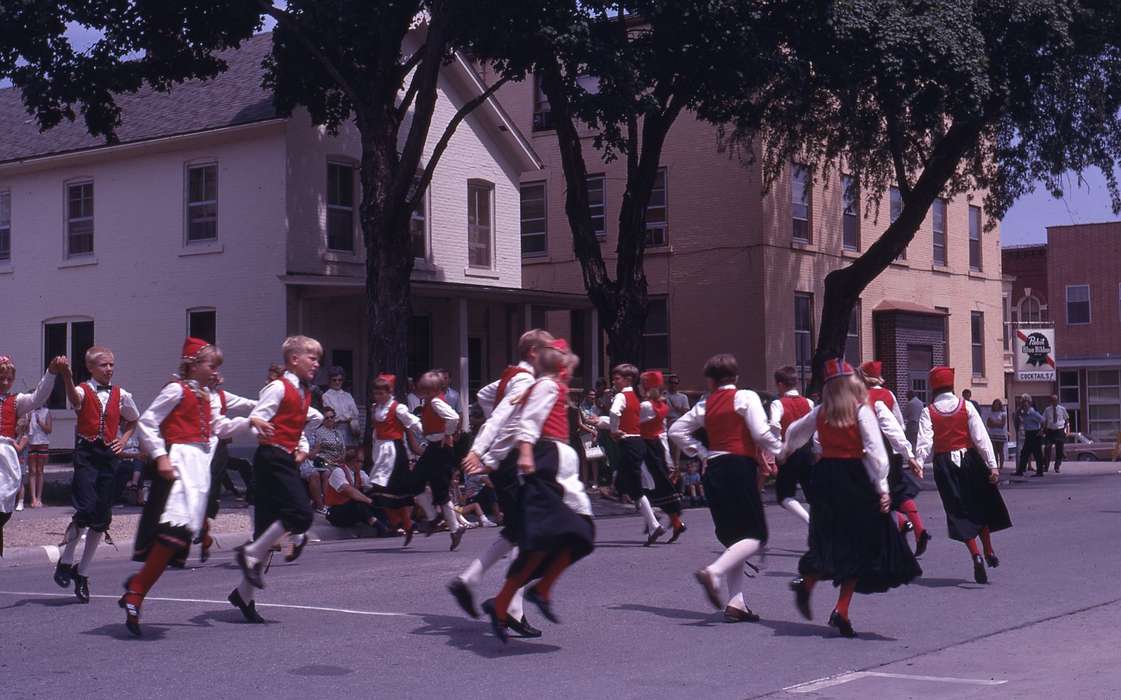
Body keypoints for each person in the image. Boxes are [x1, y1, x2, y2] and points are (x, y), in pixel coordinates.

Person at [122, 338, 254, 636]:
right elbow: (147, 421)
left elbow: (219, 428)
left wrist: (251, 422)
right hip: (179, 459)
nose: (216, 372)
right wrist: (160, 455)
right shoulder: (175, 390)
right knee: (172, 534)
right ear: (193, 365)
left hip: (199, 468)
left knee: (178, 539)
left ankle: (137, 587)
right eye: (211, 365)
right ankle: (137, 590)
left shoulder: (209, 396)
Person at [783, 359, 922, 639]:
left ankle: (813, 587)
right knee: (863, 544)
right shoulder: (861, 411)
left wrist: (785, 451)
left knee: (830, 538)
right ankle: (839, 607)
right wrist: (882, 488)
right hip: (854, 478)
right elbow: (875, 451)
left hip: (825, 477)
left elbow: (795, 432)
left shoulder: (821, 411)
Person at [473, 339, 594, 643]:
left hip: (561, 463)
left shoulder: (555, 389)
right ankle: (515, 599)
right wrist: (524, 452)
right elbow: (525, 422)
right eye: (568, 365)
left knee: (579, 534)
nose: (571, 372)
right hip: (547, 460)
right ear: (558, 366)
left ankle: (534, 591)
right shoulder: (547, 386)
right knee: (549, 537)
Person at [450, 329, 553, 639]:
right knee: (530, 534)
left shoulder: (512, 376)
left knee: (516, 532)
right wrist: (480, 449)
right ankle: (508, 605)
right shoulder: (524, 381)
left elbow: (484, 396)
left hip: (507, 459)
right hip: (511, 460)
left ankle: (474, 584)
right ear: (534, 352)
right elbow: (496, 418)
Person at [668, 353, 783, 624]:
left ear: (710, 380)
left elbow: (675, 430)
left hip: (714, 469)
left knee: (734, 538)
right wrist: (781, 450)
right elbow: (760, 433)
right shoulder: (746, 397)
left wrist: (702, 452)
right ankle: (714, 571)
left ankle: (736, 602)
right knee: (756, 536)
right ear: (736, 377)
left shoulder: (705, 403)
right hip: (738, 466)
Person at [229, 335, 325, 624]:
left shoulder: (303, 392)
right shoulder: (278, 387)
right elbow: (259, 419)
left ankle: (243, 596)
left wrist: (300, 446)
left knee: (267, 530)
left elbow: (308, 419)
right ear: (294, 359)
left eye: (318, 358)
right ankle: (250, 554)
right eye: (312, 357)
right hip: (272, 459)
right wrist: (271, 437)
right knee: (301, 514)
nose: (317, 363)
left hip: (282, 458)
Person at [54, 346, 140, 603]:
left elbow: (133, 419)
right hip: (87, 454)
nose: (109, 369)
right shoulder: (81, 389)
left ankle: (83, 572)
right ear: (91, 368)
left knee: (101, 518)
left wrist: (123, 440)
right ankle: (66, 560)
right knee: (85, 509)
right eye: (103, 365)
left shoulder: (121, 394)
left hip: (108, 458)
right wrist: (67, 375)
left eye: (112, 364)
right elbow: (75, 402)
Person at [915, 366, 1012, 584]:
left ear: (934, 388)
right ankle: (989, 550)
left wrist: (919, 462)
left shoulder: (928, 411)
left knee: (958, 511)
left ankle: (976, 554)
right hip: (970, 460)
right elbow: (981, 438)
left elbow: (924, 441)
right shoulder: (966, 406)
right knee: (980, 505)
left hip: (944, 464)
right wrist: (993, 465)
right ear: (952, 385)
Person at [859, 361, 930, 557]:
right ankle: (917, 528)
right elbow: (898, 423)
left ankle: (899, 524)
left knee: (874, 495)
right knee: (899, 492)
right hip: (893, 450)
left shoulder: (860, 397)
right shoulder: (888, 394)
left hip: (870, 451)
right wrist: (907, 452)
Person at [1, 355, 65, 555]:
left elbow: (38, 396)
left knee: (5, 501)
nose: (5, 382)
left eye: (9, 378)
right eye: (1, 377)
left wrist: (51, 373)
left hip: (6, 455)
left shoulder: (16, 401)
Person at [609, 363, 663, 543]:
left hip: (628, 443)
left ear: (627, 379)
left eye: (617, 378)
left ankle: (654, 522)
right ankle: (652, 519)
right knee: (628, 483)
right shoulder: (635, 398)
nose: (614, 381)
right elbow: (628, 419)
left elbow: (614, 412)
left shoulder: (621, 395)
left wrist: (613, 430)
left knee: (632, 486)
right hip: (637, 441)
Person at [368, 373, 424, 545]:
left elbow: (414, 422)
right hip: (381, 450)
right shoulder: (376, 408)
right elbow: (376, 431)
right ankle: (400, 522)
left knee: (391, 489)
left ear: (389, 392)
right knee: (381, 489)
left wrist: (431, 434)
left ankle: (404, 523)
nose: (378, 397)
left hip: (394, 451)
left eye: (381, 393)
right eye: (376, 393)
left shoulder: (398, 408)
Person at [411, 370, 465, 550]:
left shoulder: (435, 402)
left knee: (440, 491)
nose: (424, 393)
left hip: (441, 450)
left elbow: (454, 417)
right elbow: (428, 426)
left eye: (427, 390)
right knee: (416, 482)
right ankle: (435, 517)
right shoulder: (429, 403)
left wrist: (448, 434)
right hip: (433, 448)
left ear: (435, 390)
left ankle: (453, 527)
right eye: (423, 390)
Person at [638, 371, 686, 544]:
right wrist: (668, 458)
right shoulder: (662, 405)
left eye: (642, 383)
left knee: (642, 485)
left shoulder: (646, 406)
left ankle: (654, 521)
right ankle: (673, 522)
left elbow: (630, 424)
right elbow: (662, 433)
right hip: (657, 447)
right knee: (661, 486)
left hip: (646, 447)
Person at [769, 365, 814, 526]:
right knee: (812, 494)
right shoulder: (808, 402)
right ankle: (820, 526)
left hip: (789, 453)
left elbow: (774, 426)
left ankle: (810, 522)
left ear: (780, 384)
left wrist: (778, 451)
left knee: (784, 495)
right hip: (808, 452)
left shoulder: (778, 404)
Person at [305, 407, 346, 514]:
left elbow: (343, 449)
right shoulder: (319, 432)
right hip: (323, 460)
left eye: (331, 417)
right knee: (328, 471)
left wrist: (342, 457)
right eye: (326, 418)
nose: (329, 419)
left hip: (338, 461)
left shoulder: (338, 433)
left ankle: (335, 502)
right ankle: (325, 503)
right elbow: (317, 451)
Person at [324, 447, 378, 529]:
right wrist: (369, 500)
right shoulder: (338, 472)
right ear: (353, 461)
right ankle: (380, 527)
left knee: (377, 497)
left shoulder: (361, 474)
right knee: (358, 503)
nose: (362, 464)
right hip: (336, 512)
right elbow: (350, 491)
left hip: (350, 510)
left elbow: (372, 487)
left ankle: (389, 524)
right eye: (360, 461)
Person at [322, 367, 361, 445]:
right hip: (335, 429)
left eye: (340, 380)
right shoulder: (326, 396)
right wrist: (347, 416)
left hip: (350, 429)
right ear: (330, 381)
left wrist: (343, 416)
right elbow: (333, 415)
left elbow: (355, 413)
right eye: (334, 380)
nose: (337, 382)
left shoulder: (347, 395)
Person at [26, 403, 51, 508]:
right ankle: (33, 499)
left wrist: (40, 422)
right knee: (32, 471)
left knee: (40, 470)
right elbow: (24, 429)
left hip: (42, 442)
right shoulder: (28, 412)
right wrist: (28, 419)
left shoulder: (46, 411)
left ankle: (39, 498)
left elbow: (49, 430)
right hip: (31, 443)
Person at [1015, 395, 1045, 477]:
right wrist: (1019, 410)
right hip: (1028, 434)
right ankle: (1020, 470)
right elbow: (1018, 415)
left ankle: (1040, 472)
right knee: (1024, 453)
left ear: (1029, 403)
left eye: (1025, 403)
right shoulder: (1024, 413)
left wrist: (1041, 431)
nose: (1024, 404)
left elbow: (1043, 420)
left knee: (1037, 454)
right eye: (1022, 403)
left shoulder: (1032, 412)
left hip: (1035, 434)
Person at [1042, 395, 1069, 474]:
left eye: (1055, 400)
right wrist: (1044, 429)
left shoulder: (1062, 409)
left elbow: (1066, 419)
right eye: (1052, 400)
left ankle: (1057, 466)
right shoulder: (1047, 410)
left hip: (1059, 430)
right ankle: (1046, 466)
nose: (1054, 402)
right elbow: (1044, 419)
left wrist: (1065, 429)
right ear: (1051, 401)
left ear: (1057, 401)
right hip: (1050, 431)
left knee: (1059, 449)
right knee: (1047, 448)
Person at [986, 399, 1008, 471]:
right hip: (992, 434)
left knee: (1000, 450)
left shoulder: (1003, 413)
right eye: (995, 404)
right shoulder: (991, 413)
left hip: (1000, 434)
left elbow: (1002, 424)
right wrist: (996, 423)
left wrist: (994, 423)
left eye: (997, 404)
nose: (996, 406)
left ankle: (1001, 466)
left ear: (1000, 405)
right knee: (994, 450)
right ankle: (995, 465)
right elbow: (988, 424)